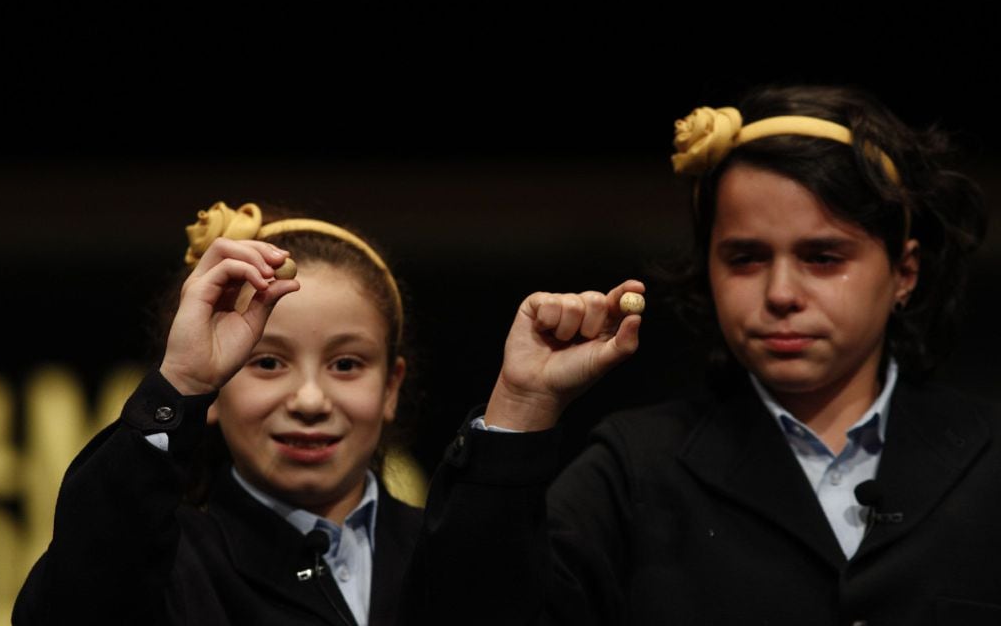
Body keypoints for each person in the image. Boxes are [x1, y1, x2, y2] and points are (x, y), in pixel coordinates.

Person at [400, 84, 999, 625]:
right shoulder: (636, 471)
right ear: (707, 267)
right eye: (745, 258)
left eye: (823, 258)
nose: (781, 294)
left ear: (905, 272)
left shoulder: (987, 459)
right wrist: (522, 405)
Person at [13, 201, 421, 626]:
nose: (310, 401)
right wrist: (181, 384)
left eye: (346, 364)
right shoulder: (169, 565)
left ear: (391, 387)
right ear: (216, 387)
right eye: (267, 363)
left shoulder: (449, 552)